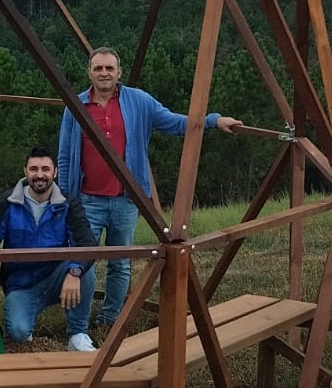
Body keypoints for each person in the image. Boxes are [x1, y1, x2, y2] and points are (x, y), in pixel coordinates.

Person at [56, 46, 241, 330]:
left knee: (120, 265)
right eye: (98, 68)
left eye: (109, 68)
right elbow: (66, 156)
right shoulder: (76, 106)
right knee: (82, 263)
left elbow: (174, 123)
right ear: (89, 72)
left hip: (126, 200)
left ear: (119, 72)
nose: (104, 73)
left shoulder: (138, 101)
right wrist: (67, 197)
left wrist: (213, 121)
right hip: (86, 200)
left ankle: (109, 322)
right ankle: (77, 328)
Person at [0, 147, 97, 349]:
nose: (40, 175)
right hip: (21, 283)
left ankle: (77, 334)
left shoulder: (68, 203)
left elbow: (86, 242)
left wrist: (74, 272)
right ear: (25, 171)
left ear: (55, 172)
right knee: (18, 333)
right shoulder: (7, 201)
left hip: (57, 275)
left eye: (46, 169)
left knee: (85, 269)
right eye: (34, 169)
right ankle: (25, 325)